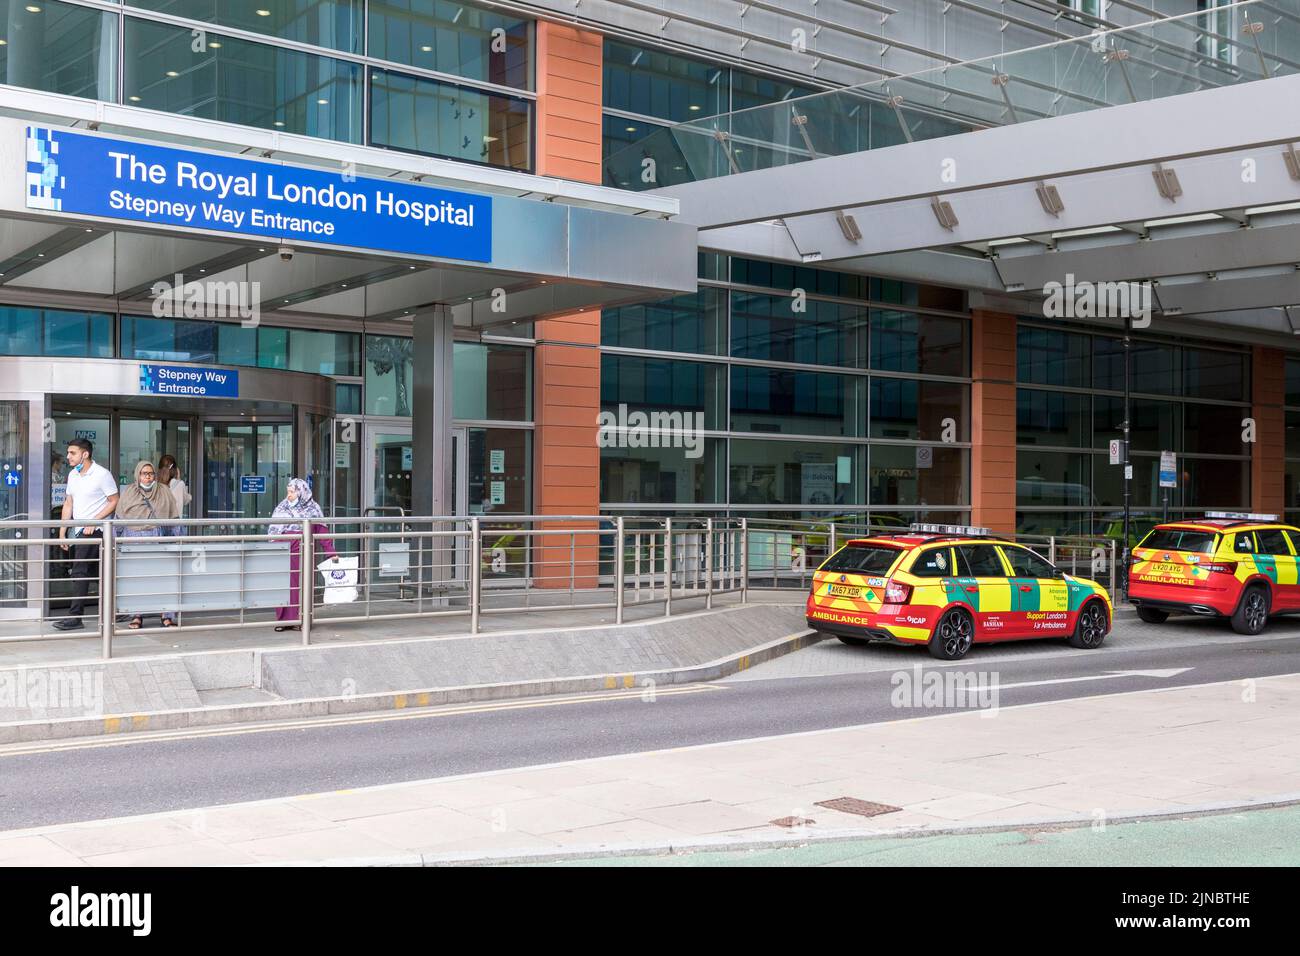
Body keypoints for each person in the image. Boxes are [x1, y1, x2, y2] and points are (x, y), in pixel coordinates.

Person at [53, 438, 120, 631]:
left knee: (81, 571)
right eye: (68, 453)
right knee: (97, 572)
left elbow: (114, 500)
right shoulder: (73, 475)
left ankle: (75, 617)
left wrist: (94, 520)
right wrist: (62, 532)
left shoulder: (101, 474)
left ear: (85, 454)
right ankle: (116, 610)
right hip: (79, 531)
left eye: (72, 453)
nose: (67, 457)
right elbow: (68, 503)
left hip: (96, 531)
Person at [117, 460, 182, 629]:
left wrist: (177, 541)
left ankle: (166, 615)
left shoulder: (164, 491)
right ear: (137, 475)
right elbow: (119, 519)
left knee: (163, 579)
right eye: (143, 473)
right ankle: (136, 616)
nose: (147, 477)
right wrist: (114, 541)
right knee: (137, 580)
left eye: (150, 473)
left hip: (158, 540)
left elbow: (173, 518)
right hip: (133, 541)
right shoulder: (129, 492)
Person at [269, 478, 337, 632]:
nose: (289, 496)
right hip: (282, 551)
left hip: (302, 553)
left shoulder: (312, 509)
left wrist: (330, 552)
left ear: (301, 492)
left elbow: (322, 532)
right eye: (288, 492)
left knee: (301, 585)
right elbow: (273, 530)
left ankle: (301, 620)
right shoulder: (282, 507)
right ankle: (283, 621)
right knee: (282, 585)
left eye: (292, 492)